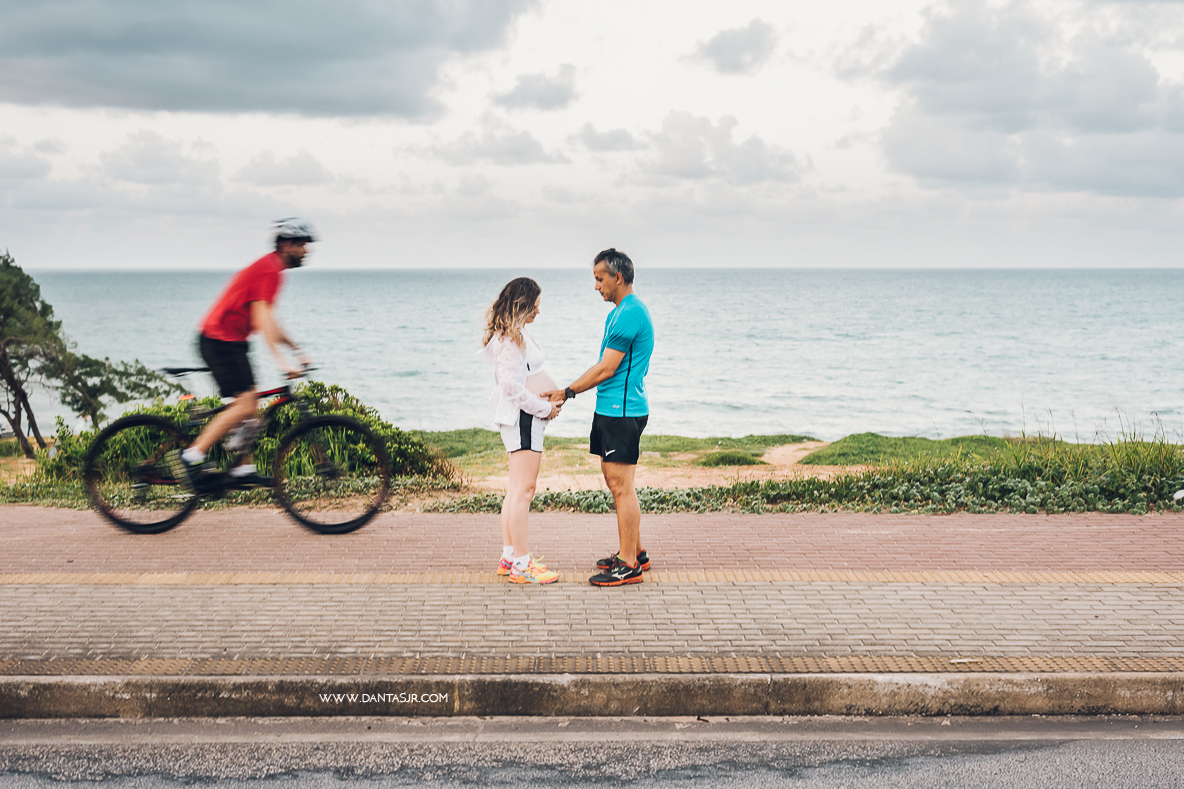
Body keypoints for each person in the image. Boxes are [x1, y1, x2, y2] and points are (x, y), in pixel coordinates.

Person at [171, 218, 316, 492]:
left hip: (232, 342)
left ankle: (241, 468)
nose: (306, 250)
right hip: (218, 340)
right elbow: (261, 320)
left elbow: (269, 321)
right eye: (302, 244)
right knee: (246, 405)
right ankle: (191, 456)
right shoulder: (269, 270)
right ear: (286, 244)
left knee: (251, 409)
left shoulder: (273, 270)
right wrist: (282, 361)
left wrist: (296, 349)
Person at [544, 249, 655, 587]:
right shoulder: (619, 313)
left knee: (622, 487)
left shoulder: (629, 314)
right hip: (611, 408)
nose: (596, 286)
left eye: (599, 279)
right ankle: (635, 551)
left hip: (623, 411)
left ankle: (629, 565)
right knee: (615, 482)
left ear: (617, 277)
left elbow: (606, 369)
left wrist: (567, 391)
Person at [481, 277, 562, 585]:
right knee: (524, 491)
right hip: (523, 419)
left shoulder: (514, 333)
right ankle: (522, 566)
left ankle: (510, 558)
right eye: (535, 306)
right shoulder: (510, 339)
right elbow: (511, 387)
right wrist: (544, 408)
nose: (539, 312)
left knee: (516, 489)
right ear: (523, 304)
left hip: (524, 419)